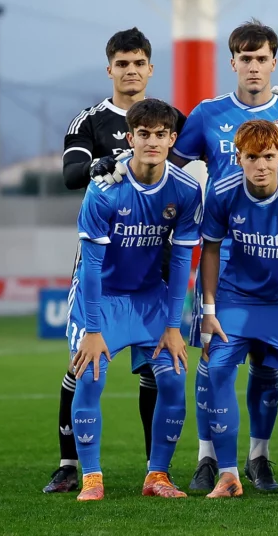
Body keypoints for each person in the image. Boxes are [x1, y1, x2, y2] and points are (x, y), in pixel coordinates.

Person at [170, 19, 278, 492]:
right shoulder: (206, 114)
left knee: (266, 368)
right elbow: (171, 169)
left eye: (261, 59)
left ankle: (259, 458)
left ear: (274, 62)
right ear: (232, 62)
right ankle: (209, 458)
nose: (253, 66)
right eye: (245, 58)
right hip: (227, 270)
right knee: (211, 362)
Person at [46, 27, 186, 494]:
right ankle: (71, 465)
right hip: (103, 260)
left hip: (153, 264)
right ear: (110, 69)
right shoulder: (89, 121)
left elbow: (192, 170)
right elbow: (71, 174)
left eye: (138, 63)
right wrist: (98, 166)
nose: (130, 71)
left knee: (158, 372)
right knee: (84, 366)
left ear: (150, 68)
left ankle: (156, 469)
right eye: (122, 64)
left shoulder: (170, 119)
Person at [67, 98, 201, 501]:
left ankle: (157, 476)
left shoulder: (186, 190)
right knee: (90, 376)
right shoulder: (105, 188)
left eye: (161, 134)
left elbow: (182, 261)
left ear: (172, 139)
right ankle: (91, 478)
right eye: (144, 134)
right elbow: (91, 266)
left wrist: (174, 326)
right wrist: (93, 330)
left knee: (174, 378)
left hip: (149, 298)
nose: (152, 142)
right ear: (131, 138)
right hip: (102, 299)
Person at [198, 119, 278, 499]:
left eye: (268, 156)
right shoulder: (222, 191)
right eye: (252, 157)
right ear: (238, 158)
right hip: (237, 298)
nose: (261, 165)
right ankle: (227, 475)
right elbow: (210, 251)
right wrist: (208, 311)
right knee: (217, 368)